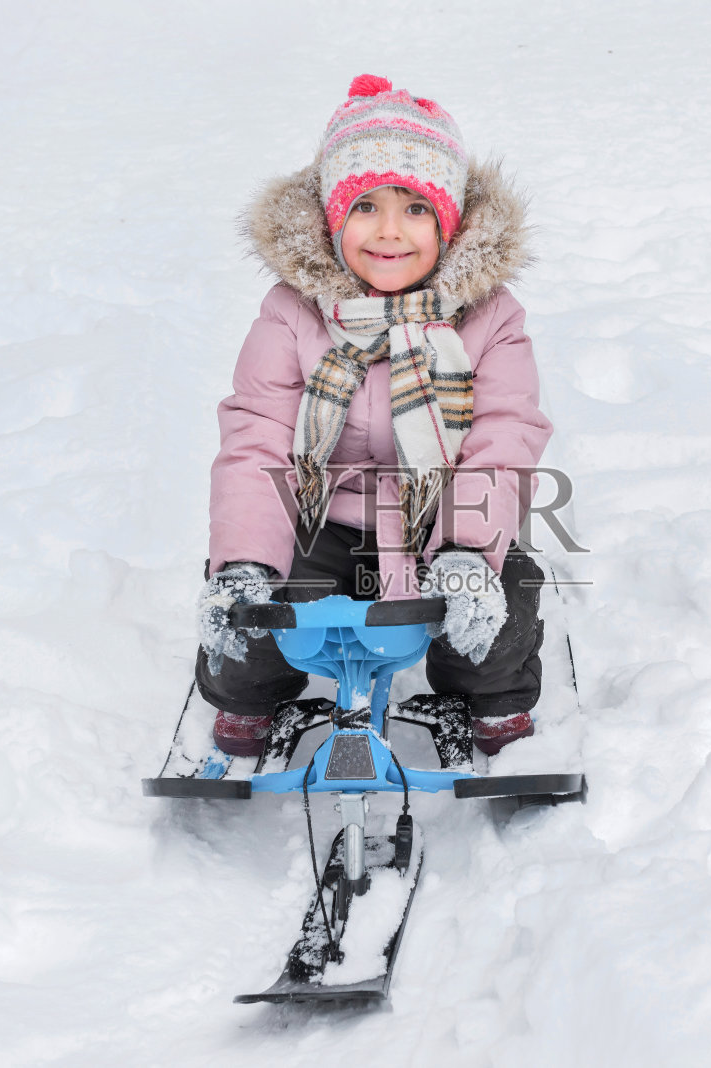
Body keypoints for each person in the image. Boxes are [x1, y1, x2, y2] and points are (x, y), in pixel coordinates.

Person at [195, 74, 552, 759]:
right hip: (322, 517)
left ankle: (488, 692)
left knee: (500, 595)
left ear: (449, 225)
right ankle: (249, 694)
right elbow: (257, 438)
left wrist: (464, 552)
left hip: (442, 516)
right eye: (365, 206)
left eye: (416, 208)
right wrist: (245, 564)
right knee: (261, 603)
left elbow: (503, 439)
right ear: (332, 218)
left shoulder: (491, 319)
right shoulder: (293, 313)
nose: (390, 231)